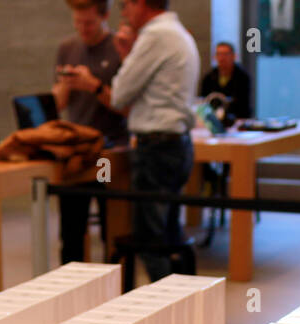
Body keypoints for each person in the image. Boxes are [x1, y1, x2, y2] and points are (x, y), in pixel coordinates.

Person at [93, 0, 198, 281]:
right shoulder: (178, 32)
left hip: (157, 148)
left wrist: (126, 56)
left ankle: (169, 315)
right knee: (168, 235)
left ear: (141, 4)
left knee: (150, 243)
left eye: (125, 5)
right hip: (178, 144)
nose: (123, 14)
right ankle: (182, 308)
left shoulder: (155, 35)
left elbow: (119, 95)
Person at [53, 0, 128, 263]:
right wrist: (66, 85)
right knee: (71, 231)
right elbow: (59, 104)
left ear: (105, 16)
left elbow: (126, 106)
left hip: (111, 150)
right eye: (78, 23)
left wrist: (92, 85)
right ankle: (70, 290)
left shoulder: (119, 49)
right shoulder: (67, 48)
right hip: (77, 151)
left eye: (89, 23)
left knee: (113, 228)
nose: (83, 29)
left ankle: (115, 289)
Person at [199, 42, 251, 122]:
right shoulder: (208, 77)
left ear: (234, 56)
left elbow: (243, 105)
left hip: (238, 120)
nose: (222, 58)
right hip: (214, 120)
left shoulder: (242, 77)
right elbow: (203, 102)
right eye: (219, 54)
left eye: (225, 54)